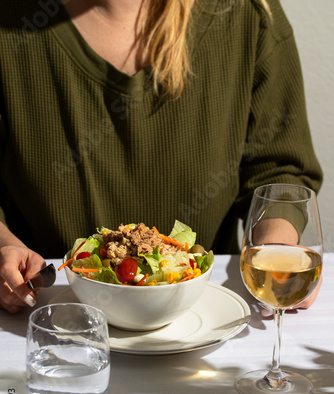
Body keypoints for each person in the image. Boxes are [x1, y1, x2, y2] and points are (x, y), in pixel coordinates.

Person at [0, 0, 323, 313]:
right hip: (47, 319)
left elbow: (279, 170)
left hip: (212, 318)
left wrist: (274, 255)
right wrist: (4, 248)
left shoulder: (247, 13)